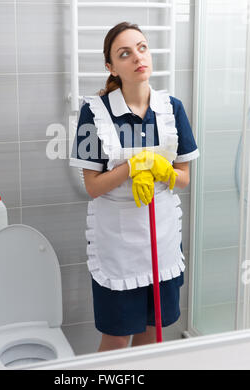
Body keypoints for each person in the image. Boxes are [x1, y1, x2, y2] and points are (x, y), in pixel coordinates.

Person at [70, 22, 199, 352]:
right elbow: (93, 187)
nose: (137, 57)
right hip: (118, 245)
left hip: (162, 238)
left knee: (151, 332)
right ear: (111, 67)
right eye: (125, 53)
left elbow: (184, 177)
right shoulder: (94, 113)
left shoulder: (172, 108)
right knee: (116, 337)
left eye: (142, 48)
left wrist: (161, 169)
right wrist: (132, 167)